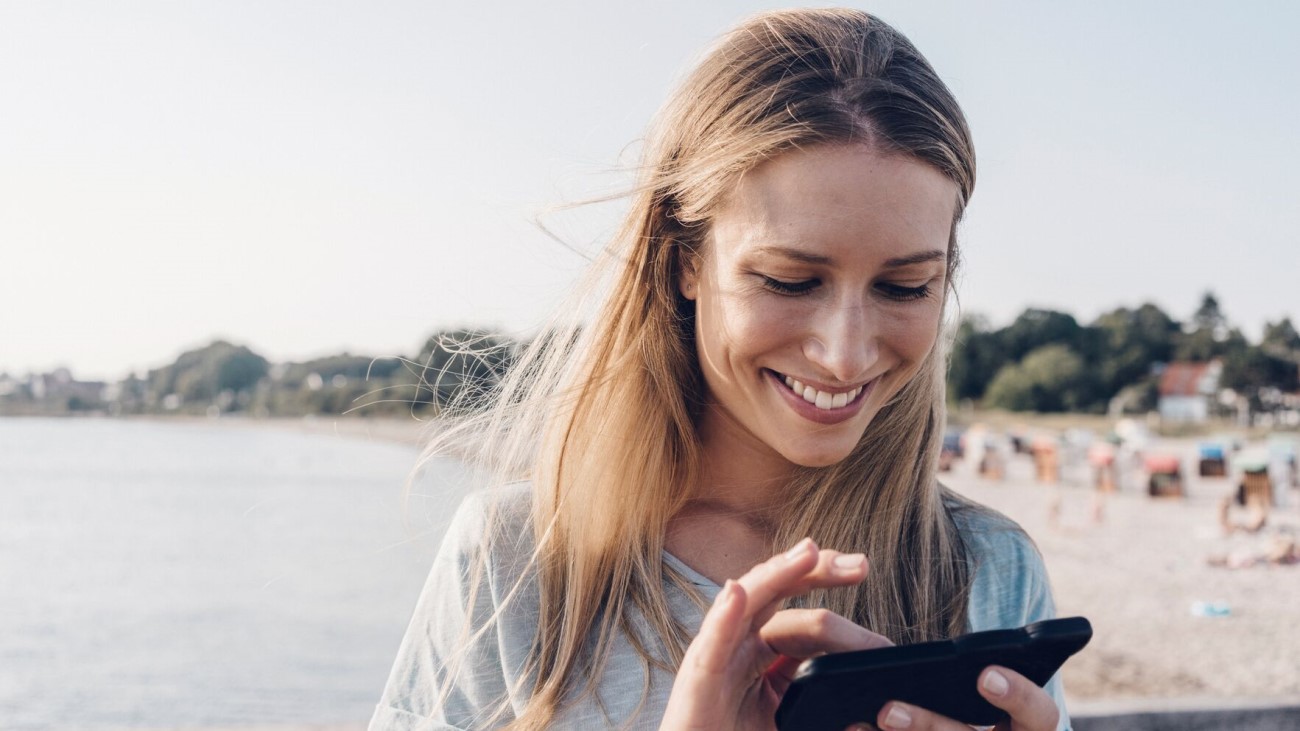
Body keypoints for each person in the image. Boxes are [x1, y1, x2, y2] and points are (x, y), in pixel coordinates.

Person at [372, 8, 1070, 731]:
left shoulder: (987, 567)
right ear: (685, 261)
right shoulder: (517, 559)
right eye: (789, 280)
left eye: (903, 287)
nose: (845, 353)